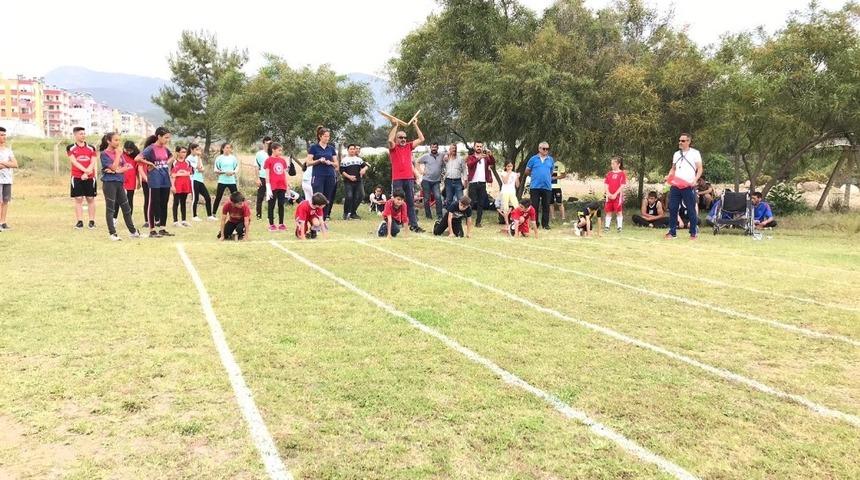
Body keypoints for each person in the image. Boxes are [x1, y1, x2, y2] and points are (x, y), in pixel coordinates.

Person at [98, 132, 140, 241]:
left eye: (119, 140)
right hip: (109, 183)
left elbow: (128, 166)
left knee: (126, 208)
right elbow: (113, 167)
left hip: (120, 183)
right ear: (108, 141)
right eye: (116, 140)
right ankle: (113, 234)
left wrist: (117, 170)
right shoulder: (104, 154)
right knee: (110, 209)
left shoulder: (120, 153)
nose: (118, 142)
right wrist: (117, 158)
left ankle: (133, 232)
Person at [387, 117, 425, 232]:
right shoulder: (393, 148)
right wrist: (396, 126)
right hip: (397, 179)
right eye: (400, 137)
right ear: (397, 139)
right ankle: (395, 224)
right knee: (396, 203)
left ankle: (414, 225)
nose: (403, 139)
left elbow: (421, 138)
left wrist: (415, 125)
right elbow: (389, 140)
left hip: (409, 178)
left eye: (404, 137)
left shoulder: (409, 146)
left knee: (410, 203)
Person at [136, 127, 174, 238]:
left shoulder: (165, 149)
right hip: (155, 179)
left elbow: (171, 156)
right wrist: (149, 163)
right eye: (166, 138)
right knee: (153, 204)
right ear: (159, 137)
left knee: (164, 204)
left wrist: (165, 163)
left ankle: (162, 228)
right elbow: (137, 158)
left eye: (169, 138)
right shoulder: (150, 148)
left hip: (165, 179)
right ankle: (152, 230)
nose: (167, 140)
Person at [664, 132, 703, 240]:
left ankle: (693, 233)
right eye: (680, 140)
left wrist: (695, 180)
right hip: (676, 185)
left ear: (689, 142)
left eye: (683, 141)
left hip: (688, 185)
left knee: (691, 209)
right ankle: (672, 232)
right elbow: (673, 168)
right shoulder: (676, 154)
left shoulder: (695, 153)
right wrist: (668, 177)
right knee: (672, 208)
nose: (680, 142)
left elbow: (699, 168)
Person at [68, 126, 98, 230]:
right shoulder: (71, 148)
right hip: (77, 176)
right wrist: (84, 172)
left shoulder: (91, 147)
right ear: (75, 135)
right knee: (78, 198)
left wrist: (88, 172)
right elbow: (74, 161)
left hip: (90, 177)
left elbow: (93, 161)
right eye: (81, 134)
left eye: (84, 133)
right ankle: (80, 221)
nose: (83, 135)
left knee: (90, 198)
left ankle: (92, 221)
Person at [466, 141, 501, 228]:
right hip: (473, 183)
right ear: (474, 147)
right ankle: (468, 220)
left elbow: (492, 162)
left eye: (480, 146)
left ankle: (478, 222)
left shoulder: (485, 158)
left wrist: (490, 155)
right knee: (471, 202)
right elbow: (469, 165)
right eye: (477, 146)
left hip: (482, 183)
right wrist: (478, 158)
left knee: (481, 203)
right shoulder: (471, 157)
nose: (479, 148)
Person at [307, 126, 339, 221]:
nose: (327, 138)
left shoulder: (331, 149)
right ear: (320, 136)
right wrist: (318, 160)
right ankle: (314, 219)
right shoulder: (314, 148)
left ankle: (323, 220)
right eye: (325, 136)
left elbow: (337, 165)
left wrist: (331, 163)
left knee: (327, 198)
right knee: (318, 197)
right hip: (318, 176)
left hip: (330, 175)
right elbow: (308, 162)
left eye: (328, 136)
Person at [524, 142, 554, 230]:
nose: (546, 150)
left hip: (547, 186)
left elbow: (551, 172)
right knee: (534, 206)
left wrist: (546, 177)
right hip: (535, 186)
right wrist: (535, 176)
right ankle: (535, 224)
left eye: (547, 149)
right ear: (539, 149)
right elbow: (527, 171)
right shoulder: (533, 159)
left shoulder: (550, 160)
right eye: (544, 149)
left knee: (546, 206)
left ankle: (545, 224)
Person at [264, 142, 290, 231]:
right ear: (273, 150)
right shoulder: (268, 160)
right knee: (271, 205)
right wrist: (268, 187)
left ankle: (281, 223)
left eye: (281, 150)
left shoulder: (283, 161)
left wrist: (287, 187)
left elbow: (284, 174)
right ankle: (271, 224)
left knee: (281, 205)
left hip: (282, 186)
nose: (280, 152)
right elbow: (267, 175)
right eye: (279, 150)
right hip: (273, 186)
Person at [187, 143, 215, 222]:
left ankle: (210, 215)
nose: (198, 151)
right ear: (191, 150)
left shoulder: (197, 158)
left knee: (207, 197)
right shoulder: (189, 159)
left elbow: (202, 169)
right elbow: (198, 167)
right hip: (193, 179)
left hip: (200, 180)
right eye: (196, 149)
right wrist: (199, 158)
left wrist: (199, 163)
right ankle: (194, 216)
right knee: (195, 198)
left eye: (199, 149)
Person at [340, 143, 369, 220]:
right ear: (348, 150)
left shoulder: (358, 159)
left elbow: (365, 166)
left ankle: (353, 212)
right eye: (351, 149)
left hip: (358, 181)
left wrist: (363, 169)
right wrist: (349, 177)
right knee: (349, 196)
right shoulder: (344, 160)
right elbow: (342, 171)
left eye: (354, 149)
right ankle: (346, 213)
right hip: (348, 182)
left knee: (361, 196)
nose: (352, 150)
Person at [418, 142, 445, 220]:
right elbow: (417, 161)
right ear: (430, 148)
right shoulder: (426, 156)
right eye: (432, 147)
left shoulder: (441, 155)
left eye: (435, 147)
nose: (434, 148)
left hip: (436, 181)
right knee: (426, 198)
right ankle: (428, 216)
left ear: (437, 148)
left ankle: (439, 216)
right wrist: (420, 171)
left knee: (438, 197)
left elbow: (446, 157)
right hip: (426, 181)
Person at [113, 141, 139, 224]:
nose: (128, 152)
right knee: (117, 200)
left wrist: (139, 181)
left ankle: (129, 219)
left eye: (130, 150)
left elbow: (137, 169)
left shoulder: (136, 156)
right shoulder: (120, 155)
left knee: (130, 200)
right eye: (126, 150)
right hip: (121, 179)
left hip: (131, 180)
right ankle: (114, 218)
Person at [0, 126, 18, 231]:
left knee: (5, 201)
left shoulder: (8, 150)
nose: (4, 137)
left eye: (4, 135)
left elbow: (15, 164)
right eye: (1, 135)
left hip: (7, 179)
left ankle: (3, 222)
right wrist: (8, 164)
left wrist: (2, 163)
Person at [212, 142, 239, 213]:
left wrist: (232, 172)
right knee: (218, 197)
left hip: (231, 181)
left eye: (229, 148)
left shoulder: (233, 158)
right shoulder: (219, 158)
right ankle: (213, 213)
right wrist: (224, 172)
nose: (228, 149)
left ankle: (237, 212)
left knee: (236, 197)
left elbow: (236, 168)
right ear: (223, 149)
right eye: (227, 147)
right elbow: (215, 170)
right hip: (222, 181)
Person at [603, 156, 627, 233]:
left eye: (614, 163)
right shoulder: (609, 173)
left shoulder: (622, 174)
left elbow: (622, 185)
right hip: (609, 196)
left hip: (617, 196)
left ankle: (619, 227)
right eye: (611, 164)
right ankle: (607, 227)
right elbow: (606, 184)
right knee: (608, 211)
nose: (612, 165)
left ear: (618, 164)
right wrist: (608, 193)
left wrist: (615, 194)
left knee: (618, 212)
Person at [171, 146, 193, 227]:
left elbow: (189, 173)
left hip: (185, 184)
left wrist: (178, 173)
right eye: (182, 152)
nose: (184, 154)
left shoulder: (188, 162)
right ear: (177, 153)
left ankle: (184, 220)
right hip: (177, 185)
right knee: (176, 202)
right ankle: (175, 221)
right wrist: (172, 186)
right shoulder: (174, 162)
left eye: (185, 152)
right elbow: (173, 175)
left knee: (183, 202)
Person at [255, 136, 272, 219]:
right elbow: (256, 166)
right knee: (260, 197)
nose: (269, 145)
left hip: (271, 178)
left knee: (271, 197)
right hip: (262, 177)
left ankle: (270, 215)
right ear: (264, 143)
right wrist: (257, 178)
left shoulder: (272, 153)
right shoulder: (259, 154)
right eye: (267, 143)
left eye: (270, 143)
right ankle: (258, 215)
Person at [499, 161, 520, 231]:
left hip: (512, 192)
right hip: (505, 192)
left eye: (511, 166)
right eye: (508, 166)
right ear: (505, 167)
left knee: (517, 206)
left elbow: (517, 185)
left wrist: (517, 177)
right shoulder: (503, 173)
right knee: (505, 208)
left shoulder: (514, 174)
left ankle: (517, 221)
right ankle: (507, 223)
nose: (509, 167)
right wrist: (508, 173)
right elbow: (505, 181)